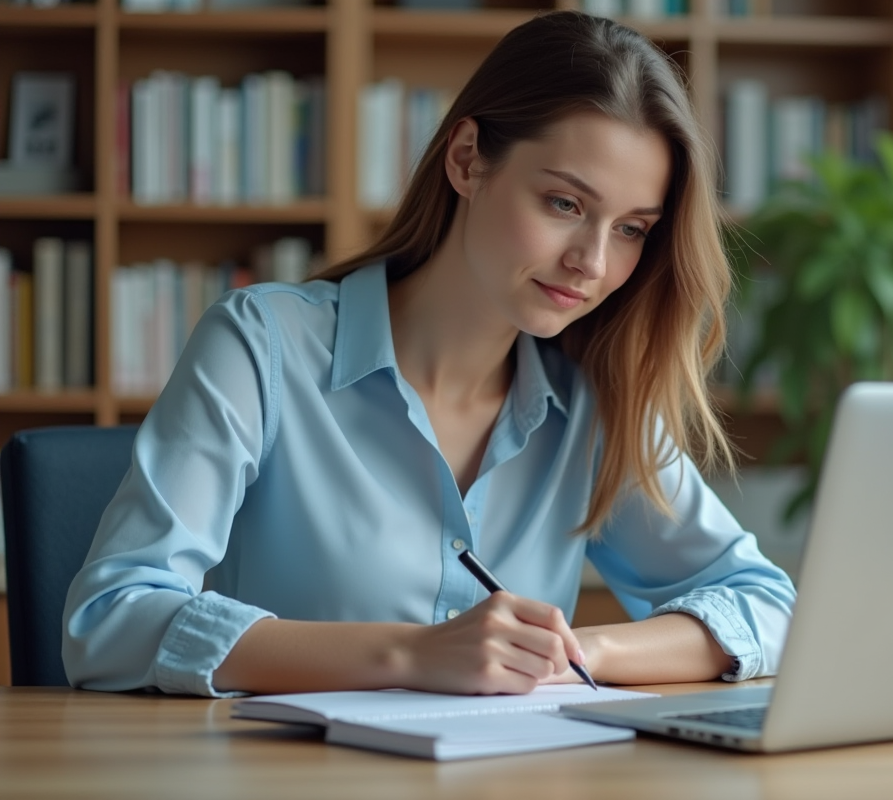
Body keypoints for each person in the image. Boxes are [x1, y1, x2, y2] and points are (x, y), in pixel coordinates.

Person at [62, 10, 796, 697]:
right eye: (565, 205)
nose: (593, 263)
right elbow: (110, 622)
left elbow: (765, 604)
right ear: (468, 160)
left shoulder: (594, 399)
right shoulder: (262, 346)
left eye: (632, 229)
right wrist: (410, 655)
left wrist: (578, 657)